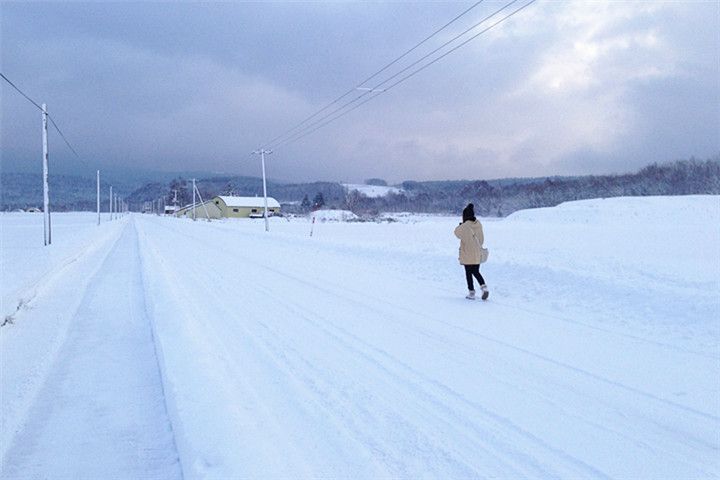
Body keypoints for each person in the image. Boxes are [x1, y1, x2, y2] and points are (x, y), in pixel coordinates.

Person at [454, 203, 489, 300]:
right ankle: (484, 287)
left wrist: (461, 225)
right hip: (477, 253)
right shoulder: (478, 224)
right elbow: (481, 239)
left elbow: (456, 233)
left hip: (467, 253)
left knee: (468, 273)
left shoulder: (465, 226)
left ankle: (471, 292)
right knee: (476, 271)